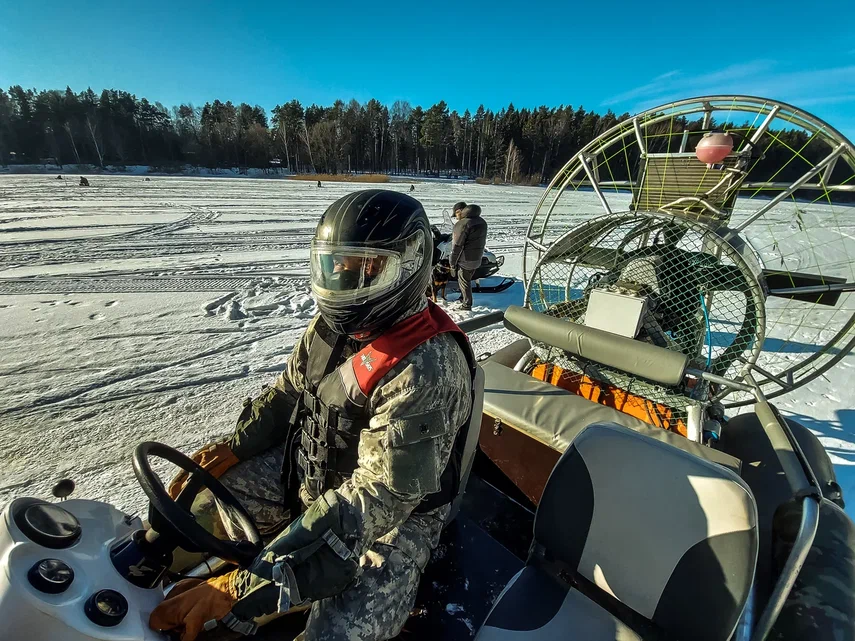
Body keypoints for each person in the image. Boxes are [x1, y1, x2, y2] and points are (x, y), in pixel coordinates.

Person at [149, 189, 476, 641]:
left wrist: (241, 588)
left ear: (409, 264)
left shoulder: (427, 366)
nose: (343, 277)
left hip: (394, 517)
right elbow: (288, 395)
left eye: (364, 267)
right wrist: (236, 445)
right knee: (203, 501)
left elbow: (376, 499)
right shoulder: (331, 327)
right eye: (335, 263)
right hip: (314, 469)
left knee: (343, 630)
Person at [449, 204, 487, 311]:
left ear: (461, 211)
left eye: (456, 213)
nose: (456, 216)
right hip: (477, 257)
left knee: (464, 282)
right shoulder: (481, 221)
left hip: (465, 259)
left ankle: (466, 305)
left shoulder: (462, 224)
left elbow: (457, 247)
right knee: (467, 279)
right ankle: (462, 298)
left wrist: (452, 263)